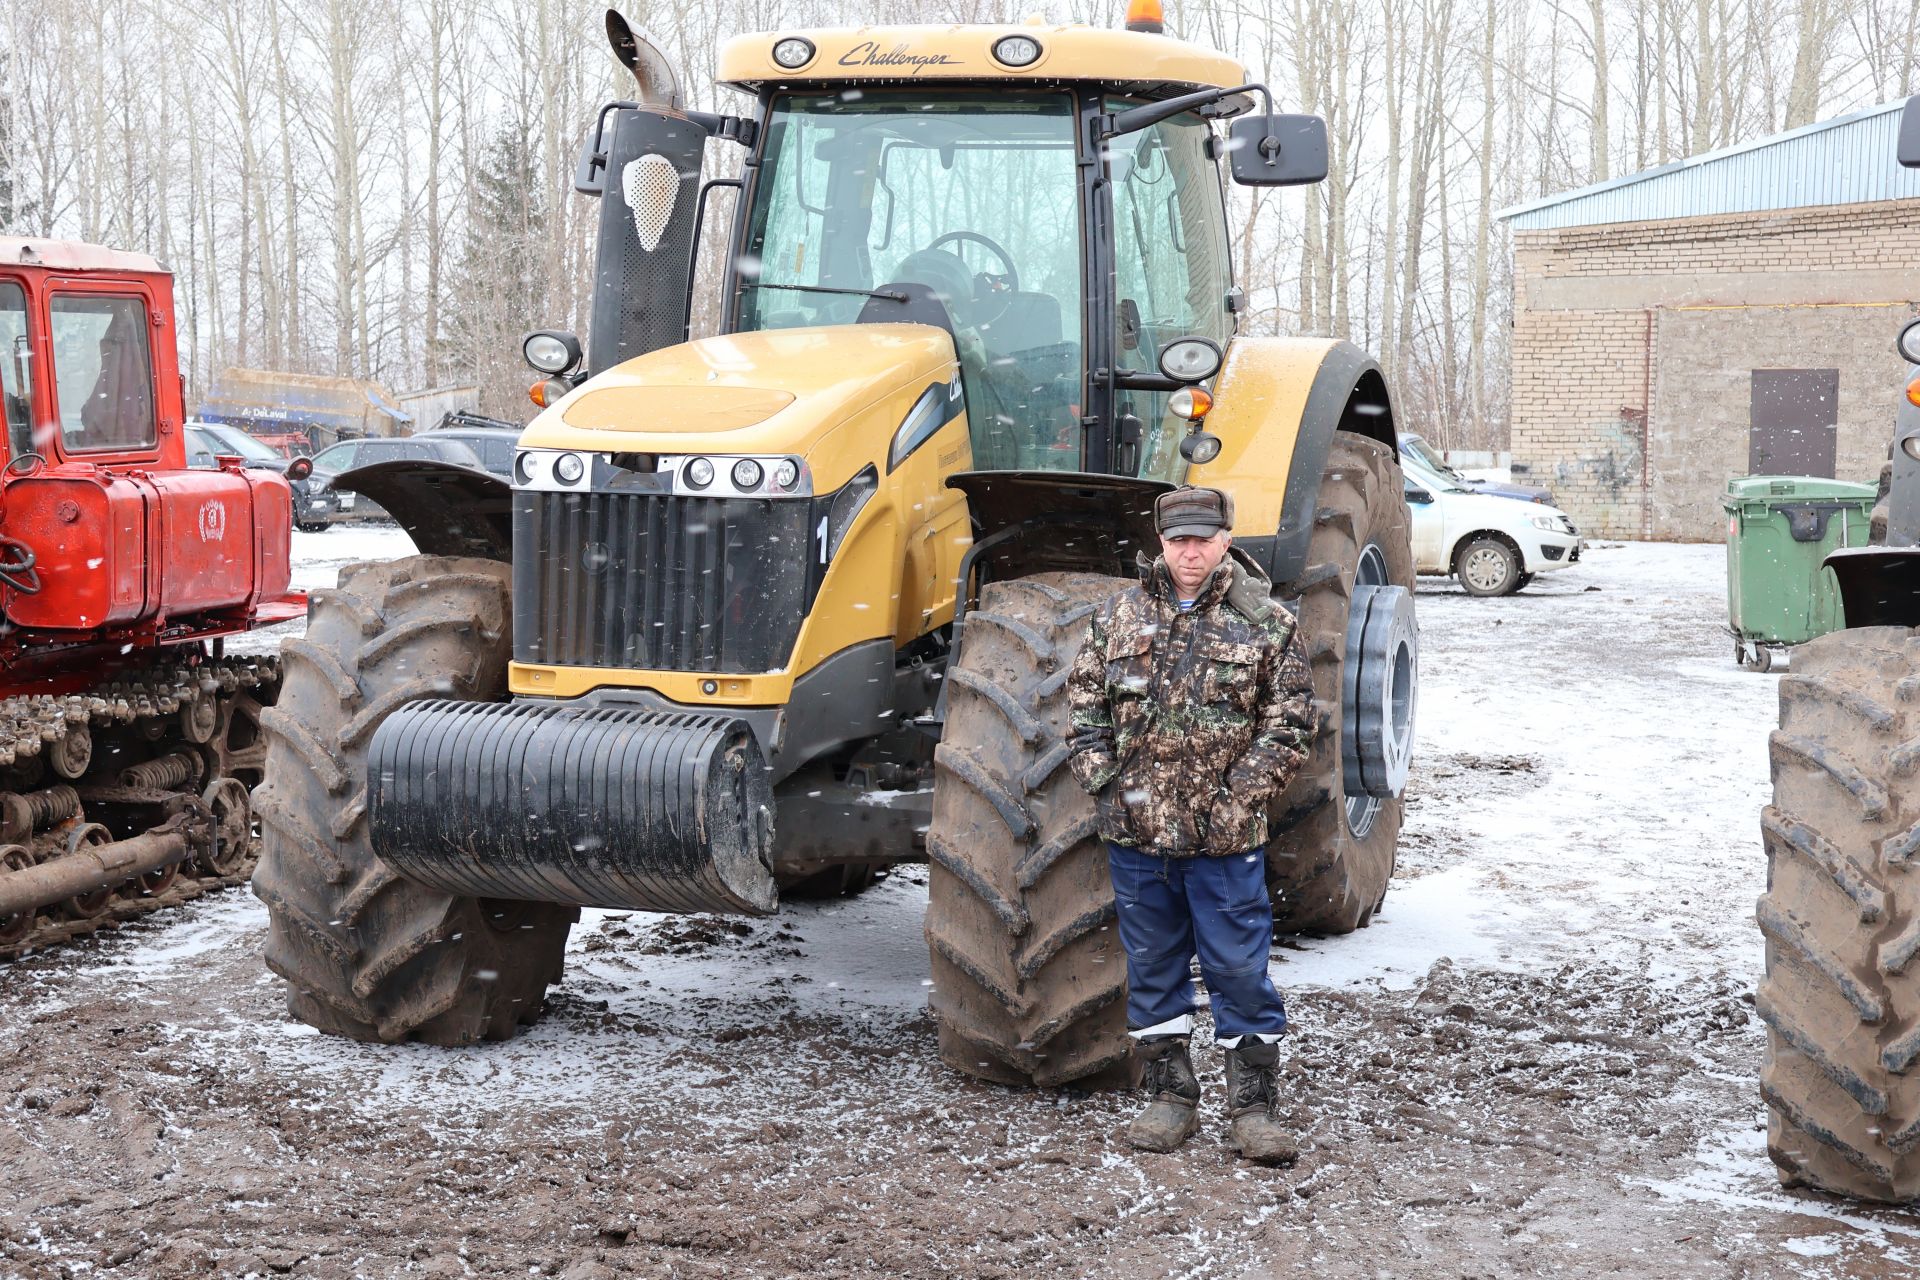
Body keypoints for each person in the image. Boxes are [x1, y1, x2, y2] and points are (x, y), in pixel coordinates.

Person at [1065, 485, 1316, 1163]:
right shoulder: (1116, 617)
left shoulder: (1267, 624)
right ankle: (1170, 1098)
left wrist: (1239, 799)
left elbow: (1289, 725)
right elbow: (1084, 714)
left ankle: (1254, 1109)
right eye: (1180, 540)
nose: (1191, 552)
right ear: (1162, 543)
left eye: (1204, 539)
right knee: (1153, 969)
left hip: (1225, 842)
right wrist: (1106, 787)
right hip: (1138, 838)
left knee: (1238, 970)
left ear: (1226, 540)